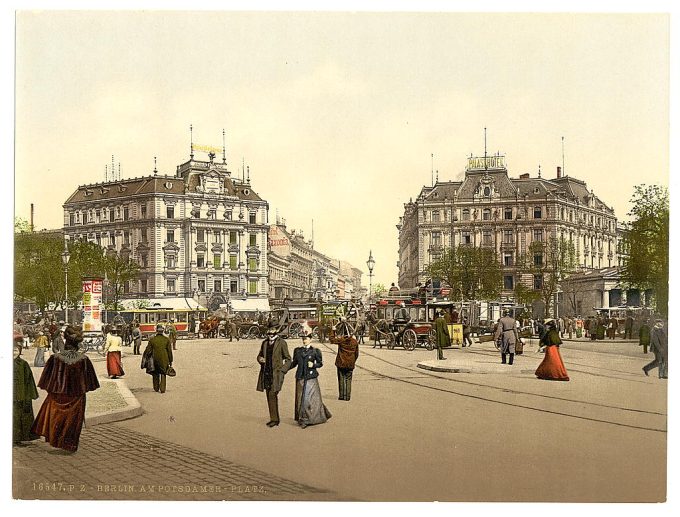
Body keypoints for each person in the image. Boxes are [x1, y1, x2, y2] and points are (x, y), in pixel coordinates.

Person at [31, 326, 100, 452]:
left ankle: (56, 441)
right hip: (77, 397)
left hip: (58, 396)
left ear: (66, 340)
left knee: (56, 418)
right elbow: (91, 383)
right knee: (73, 420)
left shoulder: (55, 358)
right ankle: (69, 444)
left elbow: (46, 382)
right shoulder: (84, 359)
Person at [288, 325, 331, 428]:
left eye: (306, 339)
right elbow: (294, 363)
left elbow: (320, 364)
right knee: (300, 398)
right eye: (303, 339)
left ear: (310, 339)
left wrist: (314, 365)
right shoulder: (297, 351)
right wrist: (283, 369)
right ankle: (302, 418)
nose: (304, 341)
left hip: (311, 378)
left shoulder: (315, 351)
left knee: (308, 399)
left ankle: (306, 420)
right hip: (300, 377)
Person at [256, 323, 291, 427]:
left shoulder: (282, 343)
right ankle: (274, 418)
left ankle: (275, 419)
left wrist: (283, 370)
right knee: (269, 395)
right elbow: (259, 355)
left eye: (273, 330)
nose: (270, 333)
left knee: (272, 394)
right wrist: (260, 359)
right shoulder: (265, 343)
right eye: (269, 330)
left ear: (276, 330)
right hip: (266, 373)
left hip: (276, 374)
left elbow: (288, 359)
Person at [14, 338, 40, 445]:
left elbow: (29, 380)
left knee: (20, 417)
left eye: (15, 350)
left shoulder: (23, 364)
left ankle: (18, 438)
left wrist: (30, 395)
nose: (13, 353)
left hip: (21, 395)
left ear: (20, 351)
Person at [330, 319, 360, 401]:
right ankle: (347, 397)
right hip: (350, 364)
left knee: (341, 378)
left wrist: (333, 330)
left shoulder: (341, 340)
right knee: (348, 379)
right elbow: (357, 354)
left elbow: (332, 340)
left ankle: (342, 396)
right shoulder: (354, 342)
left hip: (341, 363)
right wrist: (353, 360)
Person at [143, 324, 174, 393]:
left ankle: (156, 388)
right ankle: (162, 389)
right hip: (164, 359)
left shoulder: (152, 340)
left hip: (154, 359)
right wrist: (170, 360)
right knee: (163, 373)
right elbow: (169, 351)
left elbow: (148, 350)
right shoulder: (166, 340)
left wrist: (146, 358)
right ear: (163, 331)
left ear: (156, 331)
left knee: (155, 373)